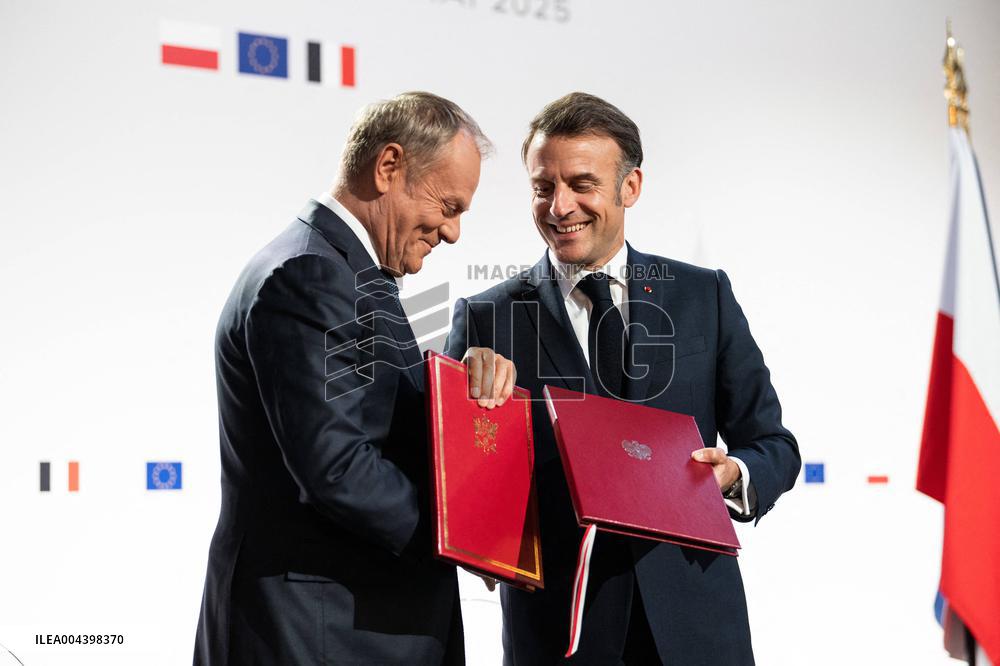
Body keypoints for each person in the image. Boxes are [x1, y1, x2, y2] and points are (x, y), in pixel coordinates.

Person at [445, 92, 801, 665]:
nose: (560, 207)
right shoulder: (487, 319)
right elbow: (462, 486)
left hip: (698, 631)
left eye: (581, 184)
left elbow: (774, 446)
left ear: (630, 187)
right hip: (561, 634)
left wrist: (734, 475)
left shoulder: (703, 296)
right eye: (543, 187)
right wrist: (472, 413)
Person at [194, 91, 515, 665]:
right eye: (449, 205)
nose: (453, 232)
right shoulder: (313, 274)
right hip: (320, 634)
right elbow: (336, 466)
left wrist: (457, 395)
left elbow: (373, 422)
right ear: (389, 167)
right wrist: (462, 537)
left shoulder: (345, 271)